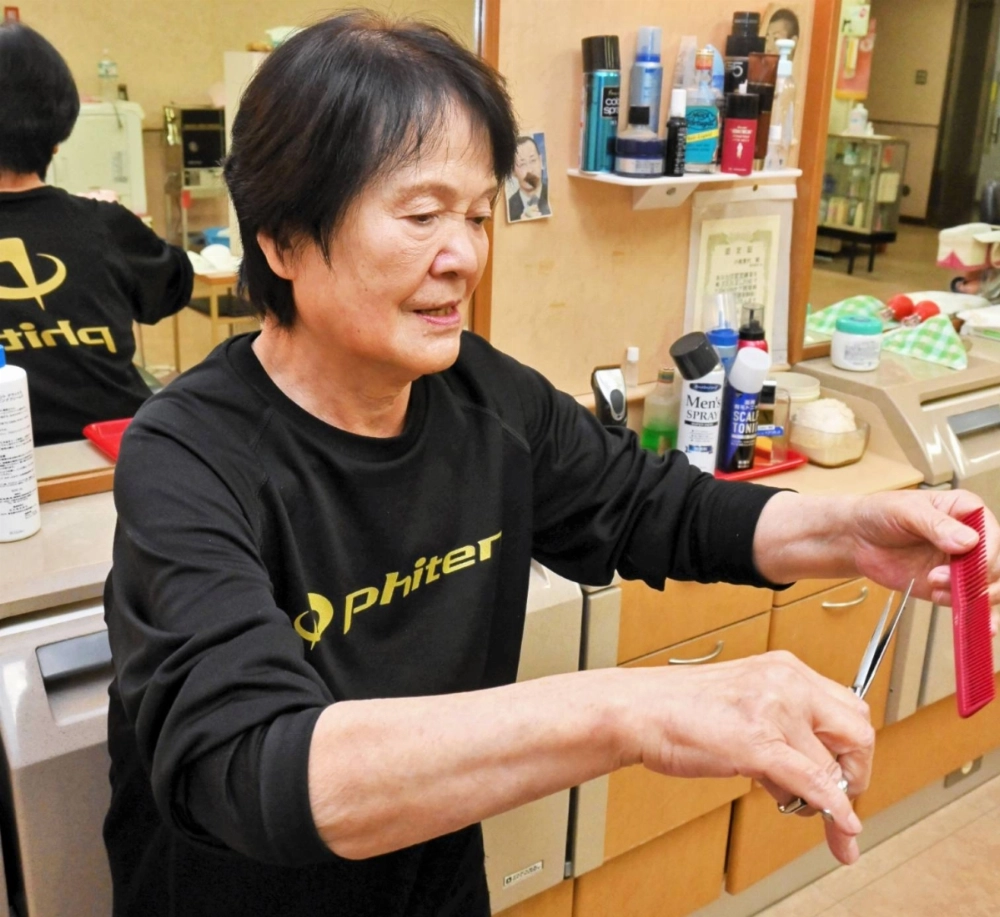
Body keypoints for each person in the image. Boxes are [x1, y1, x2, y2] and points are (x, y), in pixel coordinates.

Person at [102, 12, 1000, 917]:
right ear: (285, 240)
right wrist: (635, 710)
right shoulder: (186, 456)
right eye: (420, 216)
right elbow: (253, 762)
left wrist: (853, 531)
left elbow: (660, 507)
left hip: (431, 885)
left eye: (478, 215)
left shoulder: (488, 399)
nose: (463, 258)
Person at [0, 22, 192, 446]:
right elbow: (175, 286)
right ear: (58, 136)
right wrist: (117, 220)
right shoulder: (103, 224)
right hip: (115, 456)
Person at [507, 134, 550, 221]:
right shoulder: (509, 207)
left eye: (533, 160)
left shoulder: (554, 196)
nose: (529, 170)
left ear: (541, 161)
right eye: (522, 164)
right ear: (512, 171)